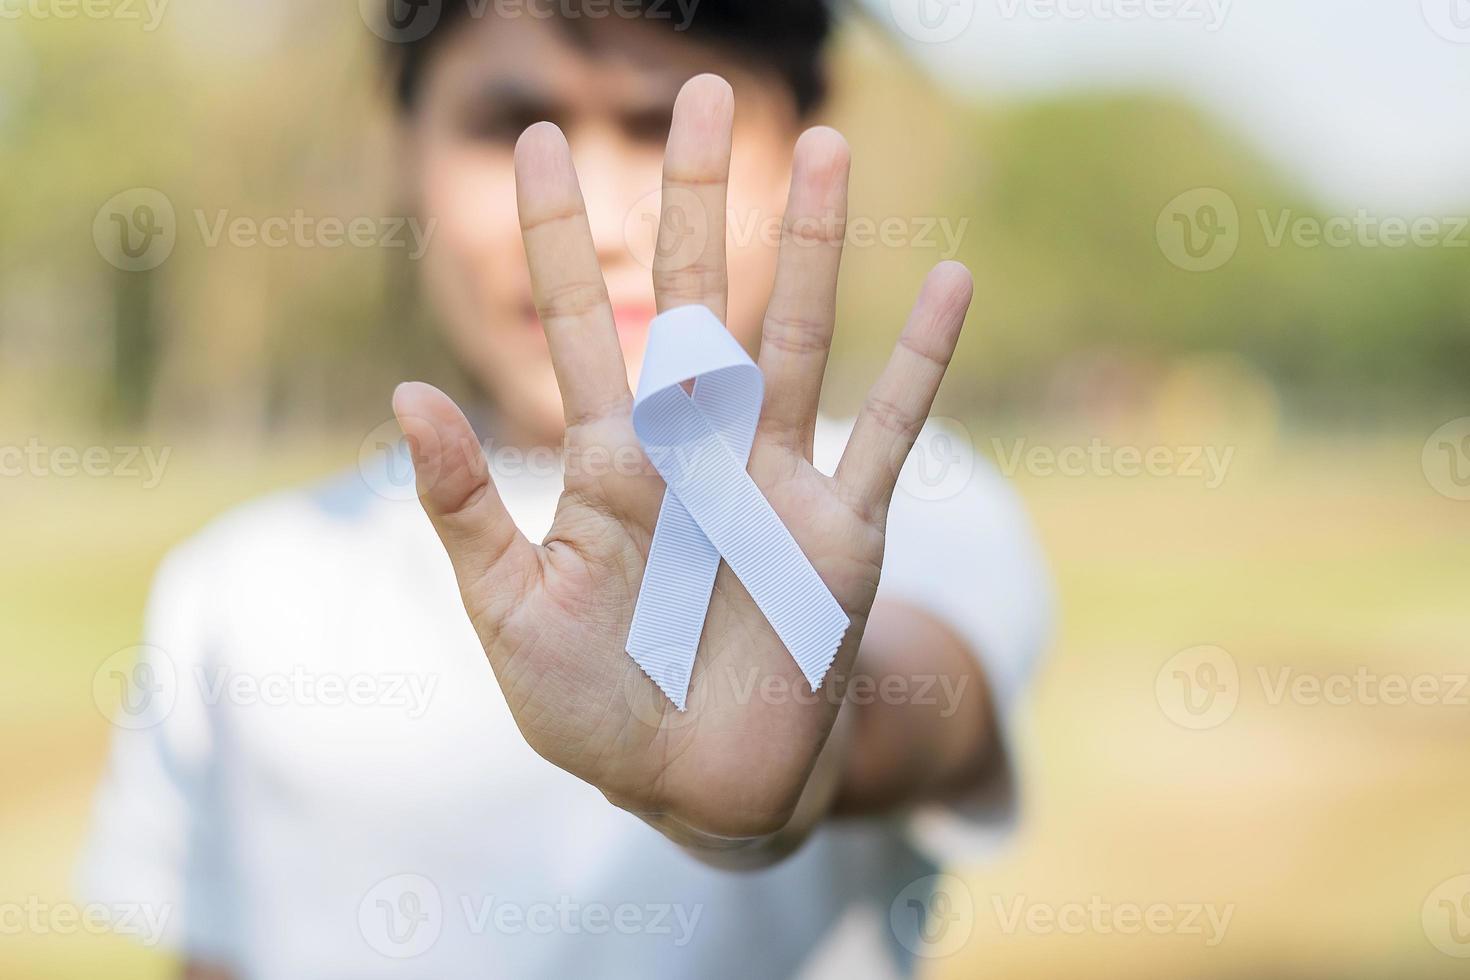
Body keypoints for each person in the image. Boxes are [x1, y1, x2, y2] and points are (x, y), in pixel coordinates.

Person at [80, 2, 1052, 977]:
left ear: (801, 144)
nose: (593, 216)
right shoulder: (241, 584)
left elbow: (896, 710)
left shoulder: (899, 508)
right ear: (403, 145)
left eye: (662, 128)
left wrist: (789, 751)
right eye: (512, 126)